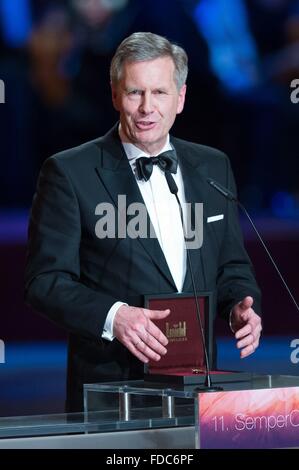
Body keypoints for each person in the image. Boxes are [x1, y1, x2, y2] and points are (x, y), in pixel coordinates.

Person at [25, 32, 262, 412]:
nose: (147, 107)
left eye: (160, 93)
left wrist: (239, 307)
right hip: (111, 390)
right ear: (116, 95)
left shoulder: (213, 166)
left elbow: (231, 266)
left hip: (197, 387)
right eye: (135, 92)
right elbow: (45, 282)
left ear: (180, 98)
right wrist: (114, 316)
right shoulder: (70, 173)